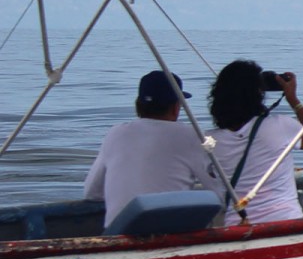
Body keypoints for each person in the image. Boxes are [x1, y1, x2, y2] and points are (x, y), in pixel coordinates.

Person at [82, 70, 222, 227]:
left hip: (117, 233)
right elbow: (219, 193)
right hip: (168, 234)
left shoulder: (116, 133)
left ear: (138, 105)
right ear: (176, 107)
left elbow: (91, 193)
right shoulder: (190, 135)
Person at [207, 59, 303, 225]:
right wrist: (293, 99)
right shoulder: (279, 125)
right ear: (258, 94)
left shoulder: (208, 141)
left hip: (238, 227)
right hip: (285, 222)